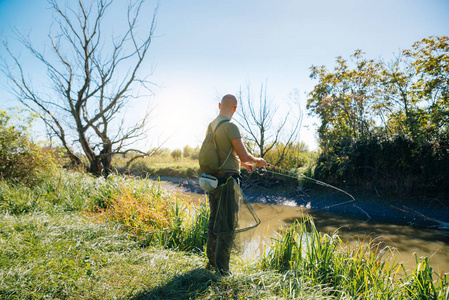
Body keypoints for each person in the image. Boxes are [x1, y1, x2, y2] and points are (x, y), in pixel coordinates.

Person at [205, 94, 267, 276]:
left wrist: (242, 164)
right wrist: (258, 161)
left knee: (214, 222)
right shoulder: (231, 126)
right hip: (228, 183)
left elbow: (221, 155)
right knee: (228, 225)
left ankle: (212, 264)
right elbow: (245, 156)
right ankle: (223, 270)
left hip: (213, 181)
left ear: (219, 105)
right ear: (235, 108)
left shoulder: (211, 126)